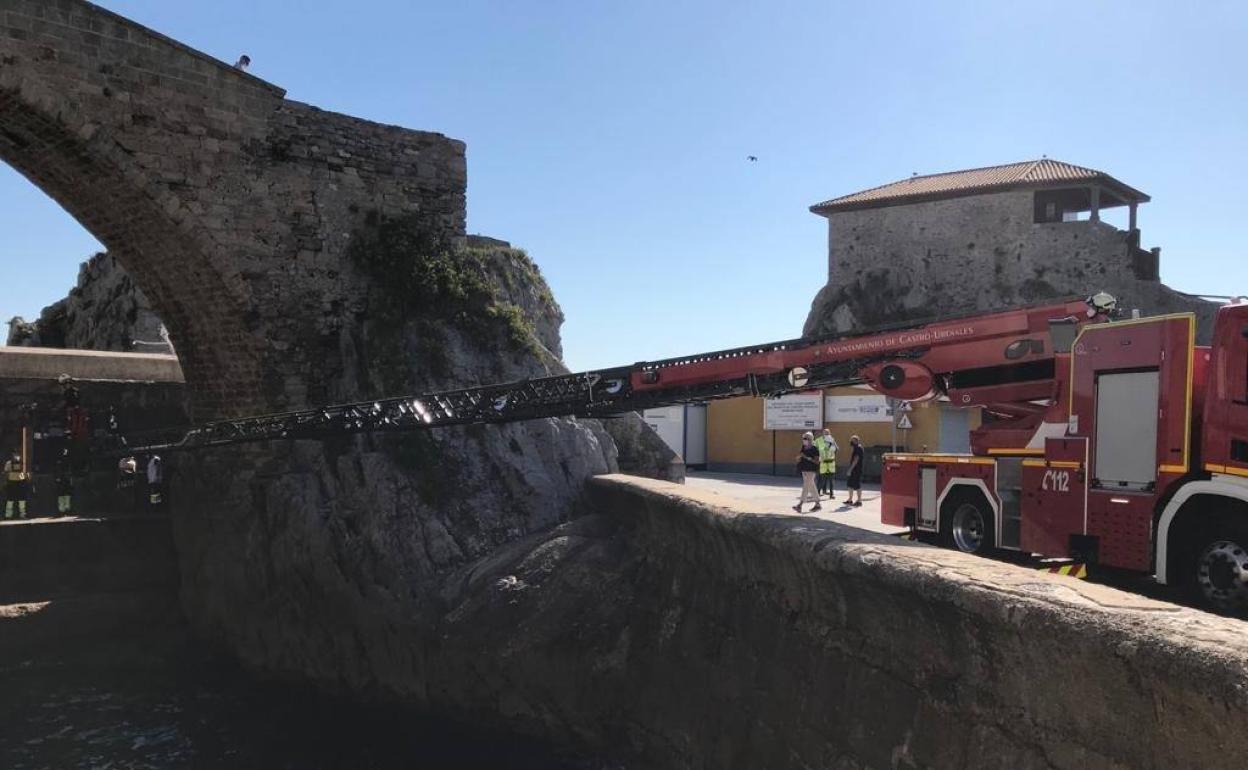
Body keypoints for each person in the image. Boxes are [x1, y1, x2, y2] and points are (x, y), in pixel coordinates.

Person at [792, 432, 822, 514]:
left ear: (810, 439)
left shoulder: (815, 449)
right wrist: (799, 458)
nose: (804, 440)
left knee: (806, 486)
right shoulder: (804, 447)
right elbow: (801, 455)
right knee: (811, 486)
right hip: (804, 469)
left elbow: (816, 461)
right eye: (804, 438)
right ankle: (818, 504)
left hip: (811, 470)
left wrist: (807, 458)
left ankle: (800, 505)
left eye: (806, 438)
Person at [4, 449, 31, 519]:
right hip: (12, 483)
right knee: (10, 500)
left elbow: (26, 473)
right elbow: (6, 474)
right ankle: (8, 515)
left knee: (21, 500)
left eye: (17, 454)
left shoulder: (23, 463)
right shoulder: (9, 463)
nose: (16, 456)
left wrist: (26, 478)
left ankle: (22, 514)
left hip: (20, 483)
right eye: (15, 454)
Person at [815, 428, 839, 499]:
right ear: (823, 433)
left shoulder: (832, 440)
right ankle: (818, 492)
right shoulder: (819, 440)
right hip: (822, 463)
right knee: (821, 479)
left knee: (831, 480)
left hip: (831, 463)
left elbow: (837, 449)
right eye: (825, 433)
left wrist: (833, 443)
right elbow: (814, 449)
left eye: (828, 433)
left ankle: (831, 494)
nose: (827, 434)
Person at [54, 448, 74, 517]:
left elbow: (69, 470)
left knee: (65, 494)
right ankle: (63, 510)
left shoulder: (65, 460)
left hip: (65, 479)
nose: (65, 452)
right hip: (63, 479)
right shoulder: (62, 461)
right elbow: (59, 469)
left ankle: (65, 509)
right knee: (62, 494)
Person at [846, 435, 865, 507]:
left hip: (856, 470)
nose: (851, 442)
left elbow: (856, 460)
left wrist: (850, 469)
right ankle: (850, 500)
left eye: (852, 440)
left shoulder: (858, 448)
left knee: (857, 485)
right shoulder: (855, 448)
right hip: (854, 469)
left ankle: (859, 501)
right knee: (850, 484)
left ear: (856, 441)